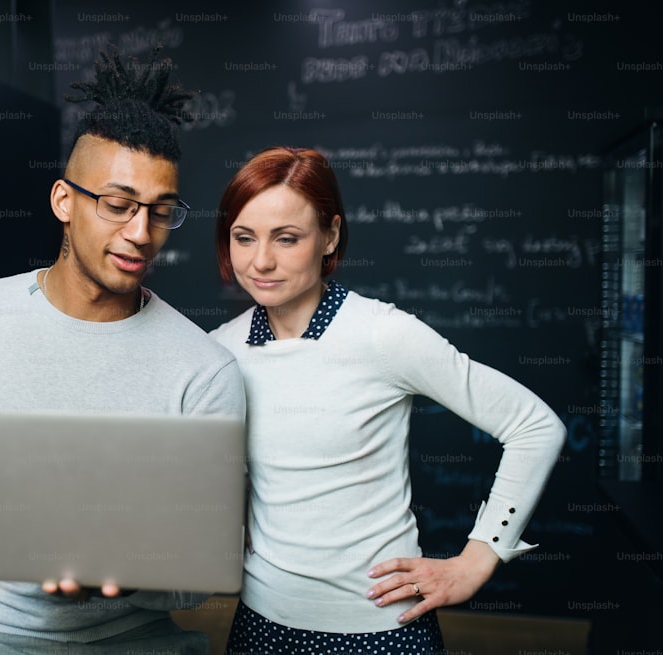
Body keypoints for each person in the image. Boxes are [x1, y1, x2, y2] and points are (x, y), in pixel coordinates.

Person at [0, 47, 245, 655]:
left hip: (136, 642)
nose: (140, 233)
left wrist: (123, 573)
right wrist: (28, 501)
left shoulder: (204, 369)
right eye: (118, 205)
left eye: (161, 212)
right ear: (64, 201)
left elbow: (203, 568)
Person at [209, 146, 566, 654]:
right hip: (261, 624)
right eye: (243, 238)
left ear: (330, 235)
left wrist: (480, 557)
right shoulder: (220, 348)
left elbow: (534, 426)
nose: (260, 260)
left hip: (379, 631)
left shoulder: (383, 336)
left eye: (287, 238)